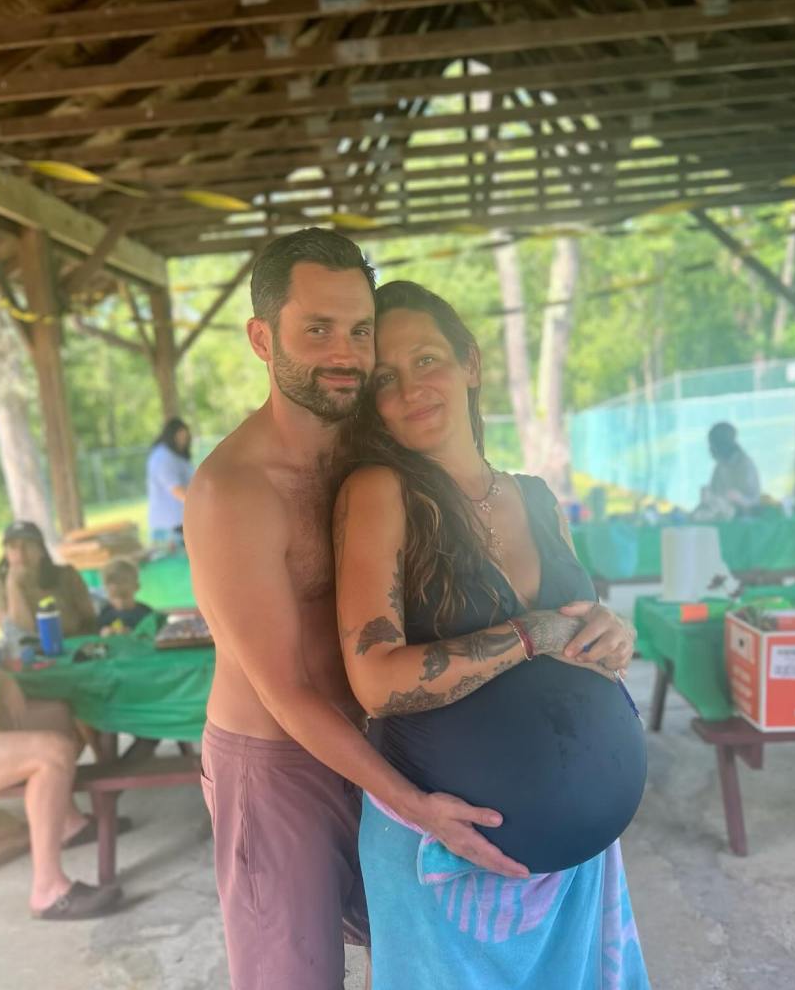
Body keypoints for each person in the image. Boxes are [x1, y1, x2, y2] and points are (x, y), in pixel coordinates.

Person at [184, 228, 636, 990]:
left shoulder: (377, 447)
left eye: (357, 329)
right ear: (262, 338)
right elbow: (284, 688)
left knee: (410, 960)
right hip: (280, 761)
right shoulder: (235, 489)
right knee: (292, 975)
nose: (345, 352)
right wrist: (411, 805)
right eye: (316, 329)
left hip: (389, 742)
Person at [334, 281, 649, 989]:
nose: (411, 387)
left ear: (470, 362)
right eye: (384, 379)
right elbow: (375, 678)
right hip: (444, 845)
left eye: (426, 359)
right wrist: (526, 635)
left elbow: (583, 631)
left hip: (575, 867)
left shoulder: (538, 498)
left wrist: (612, 633)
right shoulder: (381, 492)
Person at [0, 520, 121, 920]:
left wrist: (1, 681)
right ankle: (49, 890)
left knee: (52, 714)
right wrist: (3, 735)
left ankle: (67, 822)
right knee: (51, 751)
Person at [695, 421, 761, 520]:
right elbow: (713, 494)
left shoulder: (745, 464)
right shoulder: (719, 466)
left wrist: (739, 499)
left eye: (713, 445)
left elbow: (754, 503)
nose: (710, 449)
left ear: (722, 445)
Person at [147, 417, 194, 548]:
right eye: (180, 437)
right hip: (170, 526)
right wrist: (199, 505)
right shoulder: (162, 457)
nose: (183, 441)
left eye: (185, 437)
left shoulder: (177, 456)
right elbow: (176, 490)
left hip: (181, 521)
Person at [96, 559, 153, 634]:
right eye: (114, 597)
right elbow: (96, 635)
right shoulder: (104, 614)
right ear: (105, 590)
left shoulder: (145, 613)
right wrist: (104, 632)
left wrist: (132, 633)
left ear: (136, 586)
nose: (120, 602)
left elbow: (153, 634)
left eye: (124, 596)